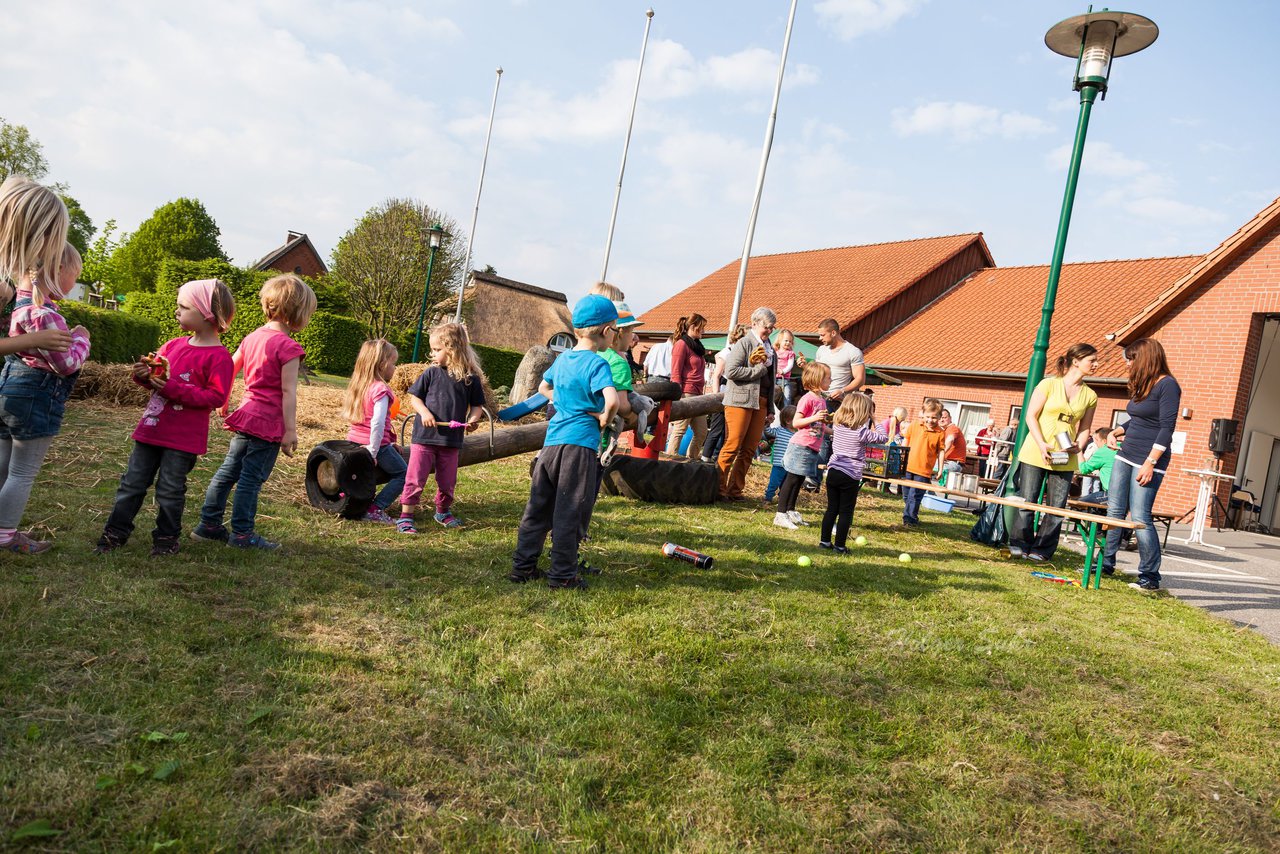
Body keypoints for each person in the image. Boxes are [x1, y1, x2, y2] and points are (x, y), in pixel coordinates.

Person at [95, 279, 236, 556]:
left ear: (207, 313)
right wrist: (143, 376)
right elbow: (157, 380)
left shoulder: (220, 358)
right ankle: (115, 532)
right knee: (132, 484)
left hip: (182, 439)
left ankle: (166, 538)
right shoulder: (172, 346)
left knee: (170, 490)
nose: (177, 311)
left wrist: (174, 389)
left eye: (183, 307)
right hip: (151, 429)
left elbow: (215, 397)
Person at [0, 180, 91, 555]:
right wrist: (82, 338)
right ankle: (5, 534)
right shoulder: (43, 315)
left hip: (7, 389)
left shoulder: (18, 299)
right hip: (33, 397)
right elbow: (67, 364)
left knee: (4, 463)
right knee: (22, 472)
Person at [193, 274, 316, 551]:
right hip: (268, 422)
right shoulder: (289, 347)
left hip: (246, 414)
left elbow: (230, 367)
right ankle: (242, 535)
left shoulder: (252, 337)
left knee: (228, 471)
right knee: (251, 479)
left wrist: (223, 398)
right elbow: (288, 392)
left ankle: (208, 525)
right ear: (296, 312)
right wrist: (290, 430)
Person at [510, 295, 618, 589]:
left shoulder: (563, 360)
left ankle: (523, 567)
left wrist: (565, 402)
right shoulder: (597, 364)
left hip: (551, 445)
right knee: (569, 511)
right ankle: (562, 575)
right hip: (579, 447)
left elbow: (544, 387)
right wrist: (602, 418)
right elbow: (611, 401)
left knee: (538, 508)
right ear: (607, 331)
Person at [1101, 339, 1181, 592]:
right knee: (1114, 511)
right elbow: (1137, 419)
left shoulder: (1168, 385)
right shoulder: (1143, 385)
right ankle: (1105, 563)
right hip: (1126, 454)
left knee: (1140, 516)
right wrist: (1117, 430)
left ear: (1145, 358)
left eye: (1131, 359)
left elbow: (1167, 428)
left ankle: (1150, 577)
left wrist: (1150, 462)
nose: (1128, 364)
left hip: (1149, 460)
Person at [1009, 342, 1098, 561]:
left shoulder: (1090, 395)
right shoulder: (1048, 384)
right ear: (1076, 361)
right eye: (1092, 360)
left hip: (1064, 457)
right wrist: (1041, 443)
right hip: (1036, 451)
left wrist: (1079, 444)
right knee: (1027, 500)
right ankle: (1019, 543)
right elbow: (1030, 415)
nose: (1096, 364)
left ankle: (1042, 549)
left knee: (1057, 506)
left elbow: (1085, 427)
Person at [399, 323, 486, 533]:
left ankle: (443, 511)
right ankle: (406, 515)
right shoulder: (431, 373)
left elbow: (477, 406)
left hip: (451, 440)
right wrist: (425, 413)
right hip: (424, 437)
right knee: (415, 478)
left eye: (437, 350)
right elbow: (415, 398)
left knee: (447, 482)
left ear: (453, 348)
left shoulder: (470, 379)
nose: (432, 354)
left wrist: (472, 420)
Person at [342, 339, 409, 526]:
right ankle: (375, 508)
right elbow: (377, 423)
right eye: (393, 363)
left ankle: (344, 497)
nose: (395, 368)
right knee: (404, 474)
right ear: (382, 364)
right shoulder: (381, 389)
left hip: (353, 441)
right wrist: (373, 450)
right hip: (375, 445)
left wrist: (390, 441)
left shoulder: (360, 385)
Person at [717, 307, 776, 501]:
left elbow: (771, 382)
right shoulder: (744, 343)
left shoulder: (770, 349)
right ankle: (718, 487)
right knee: (733, 445)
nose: (769, 331)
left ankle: (735, 490)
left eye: (772, 328)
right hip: (739, 401)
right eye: (767, 327)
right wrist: (758, 370)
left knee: (749, 449)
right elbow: (731, 372)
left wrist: (770, 408)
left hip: (761, 402)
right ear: (755, 324)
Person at [822, 392, 887, 553]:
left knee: (831, 508)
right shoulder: (861, 432)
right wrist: (876, 419)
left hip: (833, 471)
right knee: (845, 511)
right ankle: (839, 545)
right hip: (850, 474)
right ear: (863, 413)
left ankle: (824, 541)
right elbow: (883, 437)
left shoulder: (837, 427)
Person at [811, 318, 865, 489]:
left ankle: (818, 479)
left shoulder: (852, 351)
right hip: (822, 397)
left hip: (840, 402)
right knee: (817, 433)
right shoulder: (821, 350)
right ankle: (812, 476)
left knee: (831, 437)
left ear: (833, 332)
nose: (820, 338)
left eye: (822, 335)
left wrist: (842, 391)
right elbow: (817, 372)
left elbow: (860, 379)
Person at [775, 362, 829, 528]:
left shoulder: (822, 401)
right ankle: (780, 514)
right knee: (791, 479)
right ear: (816, 379)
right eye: (828, 378)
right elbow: (797, 422)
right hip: (800, 445)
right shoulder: (807, 399)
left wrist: (835, 432)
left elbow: (821, 426)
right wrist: (814, 418)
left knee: (798, 480)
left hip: (811, 447)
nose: (830, 380)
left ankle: (791, 510)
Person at [601, 302, 654, 450]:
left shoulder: (599, 353)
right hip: (604, 435)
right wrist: (634, 417)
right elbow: (621, 404)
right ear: (621, 333)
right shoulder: (619, 364)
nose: (632, 338)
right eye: (631, 332)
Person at [699, 324, 745, 464]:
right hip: (723, 393)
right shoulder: (726, 353)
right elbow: (717, 376)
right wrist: (716, 395)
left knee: (728, 429)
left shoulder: (742, 355)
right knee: (717, 428)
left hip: (735, 394)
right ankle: (705, 456)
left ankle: (718, 456)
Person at [900, 398, 947, 527]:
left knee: (914, 496)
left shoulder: (940, 433)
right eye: (927, 417)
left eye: (934, 418)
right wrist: (902, 457)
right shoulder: (915, 425)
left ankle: (909, 519)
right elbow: (906, 440)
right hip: (908, 467)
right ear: (923, 414)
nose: (930, 420)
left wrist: (941, 469)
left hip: (924, 471)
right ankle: (911, 516)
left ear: (939, 417)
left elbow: (941, 452)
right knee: (906, 494)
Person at [666, 313, 707, 458]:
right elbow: (675, 371)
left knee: (701, 431)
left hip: (698, 393)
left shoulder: (697, 347)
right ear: (693, 327)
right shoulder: (681, 344)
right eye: (702, 327)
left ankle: (692, 460)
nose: (704, 330)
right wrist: (677, 394)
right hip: (686, 392)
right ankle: (670, 458)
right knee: (680, 428)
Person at [762, 405, 796, 503]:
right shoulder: (780, 431)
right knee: (774, 482)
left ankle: (783, 498)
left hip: (789, 465)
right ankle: (768, 497)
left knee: (786, 484)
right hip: (778, 463)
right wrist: (767, 423)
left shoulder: (797, 434)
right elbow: (768, 431)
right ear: (788, 421)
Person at [1078, 427, 1116, 504]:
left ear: (1105, 441)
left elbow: (1084, 469)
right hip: (1128, 494)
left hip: (1111, 494)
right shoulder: (1122, 447)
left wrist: (1078, 450)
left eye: (1097, 440)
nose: (1096, 443)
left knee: (1079, 502)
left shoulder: (1104, 451)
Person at [773, 328, 803, 409]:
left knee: (787, 396)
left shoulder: (790, 353)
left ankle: (786, 410)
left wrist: (783, 371)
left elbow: (790, 365)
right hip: (774, 378)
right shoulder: (775, 352)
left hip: (784, 379)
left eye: (790, 341)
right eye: (786, 340)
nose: (788, 343)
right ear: (779, 341)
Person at [937, 409, 967, 483]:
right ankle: (930, 493)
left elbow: (949, 441)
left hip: (953, 464)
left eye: (944, 417)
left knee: (925, 467)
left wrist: (940, 455)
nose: (941, 420)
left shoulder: (952, 428)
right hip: (948, 462)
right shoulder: (944, 430)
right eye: (940, 418)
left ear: (950, 418)